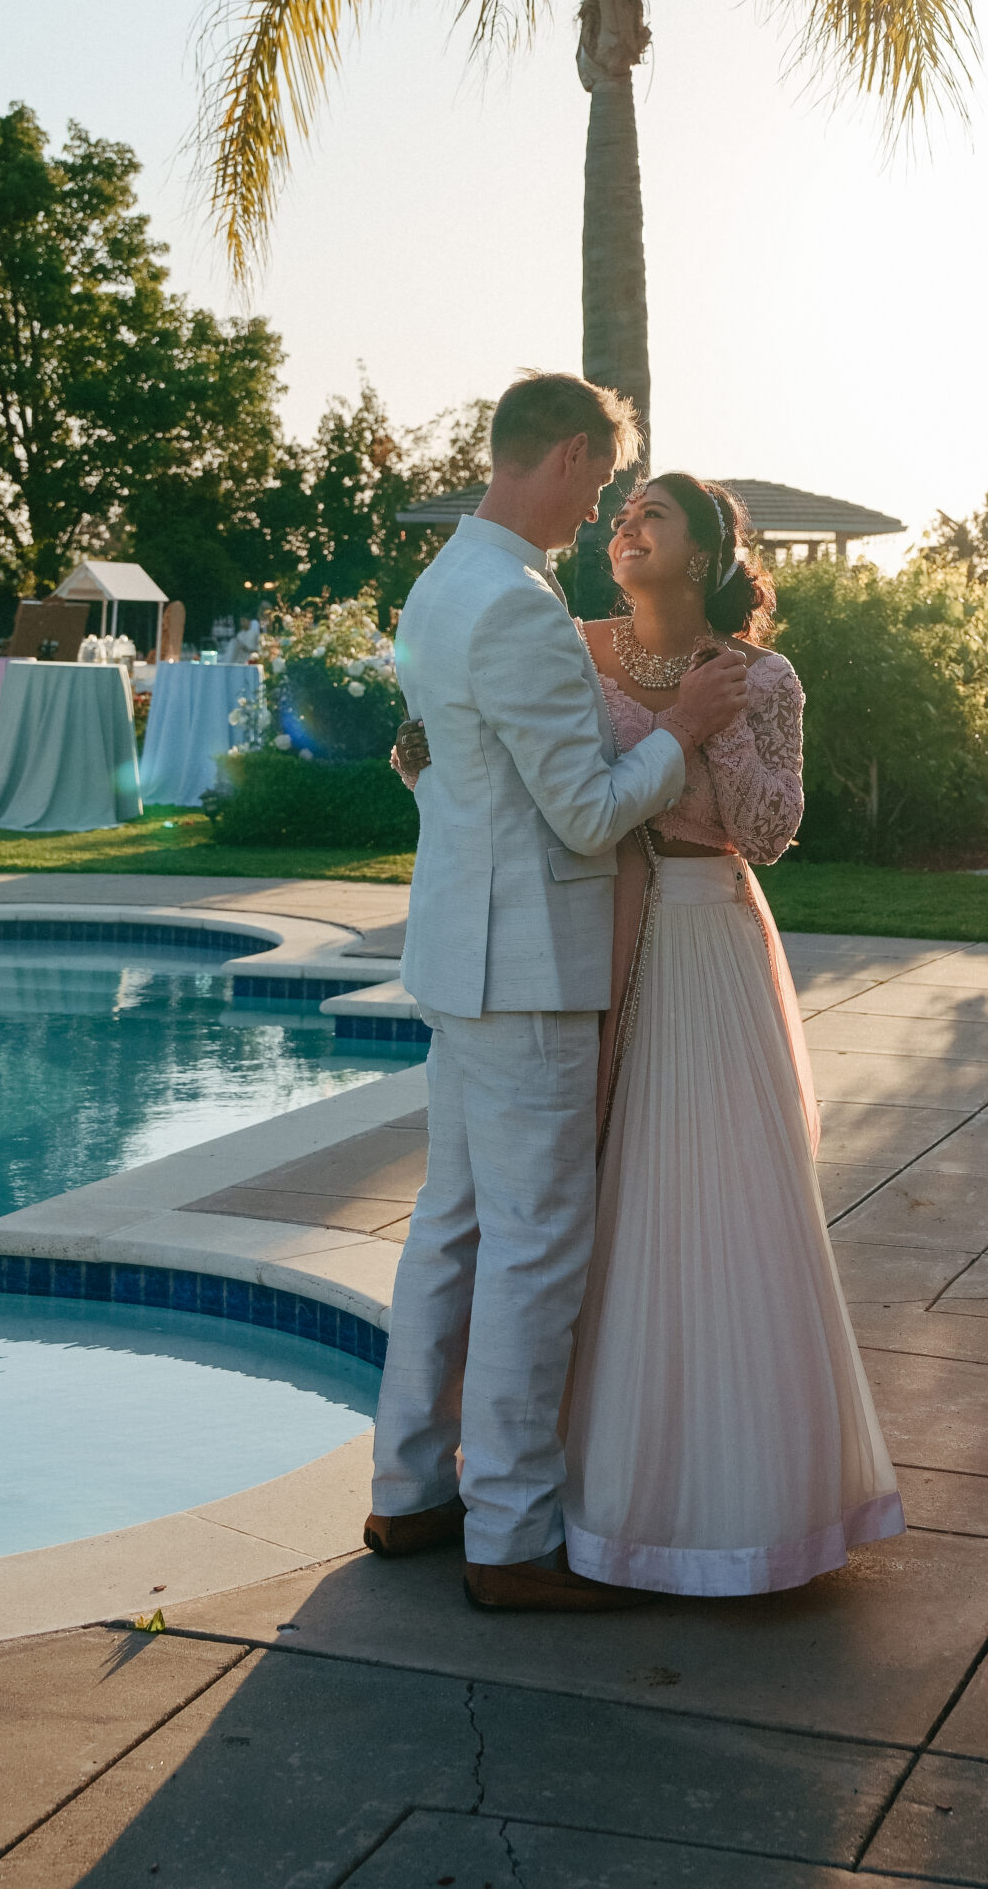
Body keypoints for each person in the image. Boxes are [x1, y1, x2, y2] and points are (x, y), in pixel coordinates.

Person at [364, 374, 748, 1613]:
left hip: (460, 960)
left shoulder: (438, 586)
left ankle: (410, 1487)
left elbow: (453, 776)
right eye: (599, 481)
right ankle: (513, 1539)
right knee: (536, 1247)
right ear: (569, 452)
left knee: (453, 1225)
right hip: (528, 965)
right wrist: (682, 726)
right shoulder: (519, 608)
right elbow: (585, 815)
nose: (597, 512)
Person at [562, 473, 904, 1593]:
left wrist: (718, 725)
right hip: (615, 934)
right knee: (626, 1192)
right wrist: (670, 727)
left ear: (705, 555)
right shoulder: (576, 650)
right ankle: (615, 1495)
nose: (627, 526)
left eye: (652, 517)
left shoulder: (766, 675)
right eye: (623, 515)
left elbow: (768, 829)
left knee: (736, 1193)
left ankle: (755, 1509)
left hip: (714, 934)